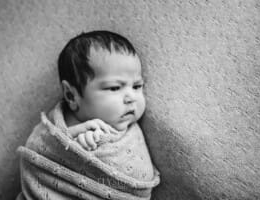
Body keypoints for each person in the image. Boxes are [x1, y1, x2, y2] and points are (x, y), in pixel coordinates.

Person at [17, 30, 160, 200]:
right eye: (114, 88)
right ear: (71, 96)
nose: (131, 98)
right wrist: (74, 140)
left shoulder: (130, 131)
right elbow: (41, 149)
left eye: (137, 86)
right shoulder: (55, 128)